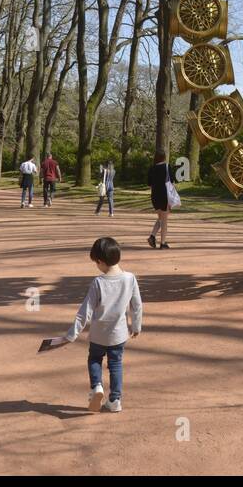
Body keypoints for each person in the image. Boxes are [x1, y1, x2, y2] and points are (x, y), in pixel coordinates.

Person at [57, 237, 142, 413]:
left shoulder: (98, 282)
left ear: (101, 262)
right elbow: (137, 305)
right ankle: (115, 400)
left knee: (95, 359)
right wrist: (136, 326)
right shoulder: (130, 278)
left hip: (98, 334)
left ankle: (97, 387)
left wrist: (72, 334)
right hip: (119, 334)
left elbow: (85, 311)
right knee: (116, 364)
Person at [146, 150, 175, 249]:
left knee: (161, 218)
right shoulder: (167, 167)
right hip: (164, 196)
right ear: (164, 157)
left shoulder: (152, 168)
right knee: (164, 220)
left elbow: (150, 185)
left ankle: (152, 236)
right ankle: (163, 243)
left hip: (154, 196)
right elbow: (172, 183)